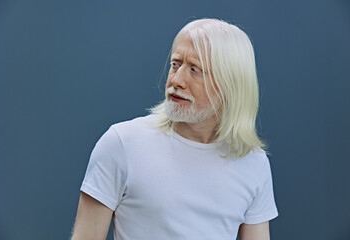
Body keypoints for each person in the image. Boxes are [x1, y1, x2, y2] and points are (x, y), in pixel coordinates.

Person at [71, 18, 279, 240]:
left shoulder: (253, 162)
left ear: (230, 84)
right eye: (175, 64)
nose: (177, 80)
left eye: (195, 69)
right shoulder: (122, 143)